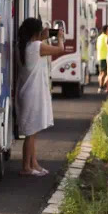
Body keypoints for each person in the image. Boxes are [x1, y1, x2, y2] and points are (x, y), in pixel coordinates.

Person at [16, 18, 63, 176]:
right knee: (31, 134)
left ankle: (33, 164)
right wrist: (60, 38)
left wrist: (41, 37)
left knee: (32, 132)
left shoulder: (23, 46)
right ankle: (26, 167)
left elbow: (36, 48)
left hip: (27, 92)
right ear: (36, 32)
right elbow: (59, 49)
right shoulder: (37, 46)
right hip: (33, 94)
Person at [95, 26, 108, 92]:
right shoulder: (106, 37)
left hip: (99, 57)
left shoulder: (99, 37)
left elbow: (97, 47)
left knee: (101, 73)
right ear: (106, 30)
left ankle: (101, 86)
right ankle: (101, 87)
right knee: (104, 73)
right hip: (105, 57)